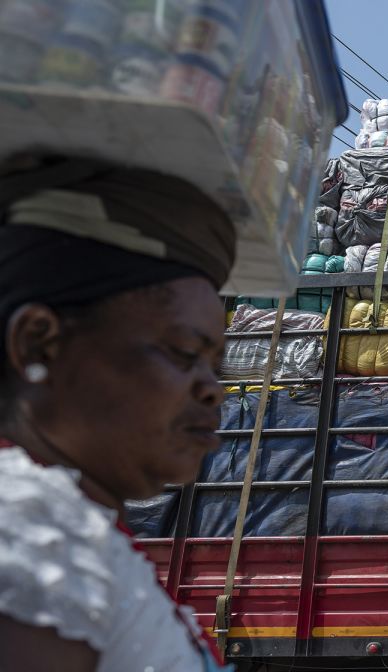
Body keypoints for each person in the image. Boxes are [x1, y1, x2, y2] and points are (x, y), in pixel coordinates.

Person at [0, 156, 237, 671]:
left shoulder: (74, 531)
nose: (213, 390)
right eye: (183, 352)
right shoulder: (24, 532)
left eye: (216, 365)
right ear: (38, 344)